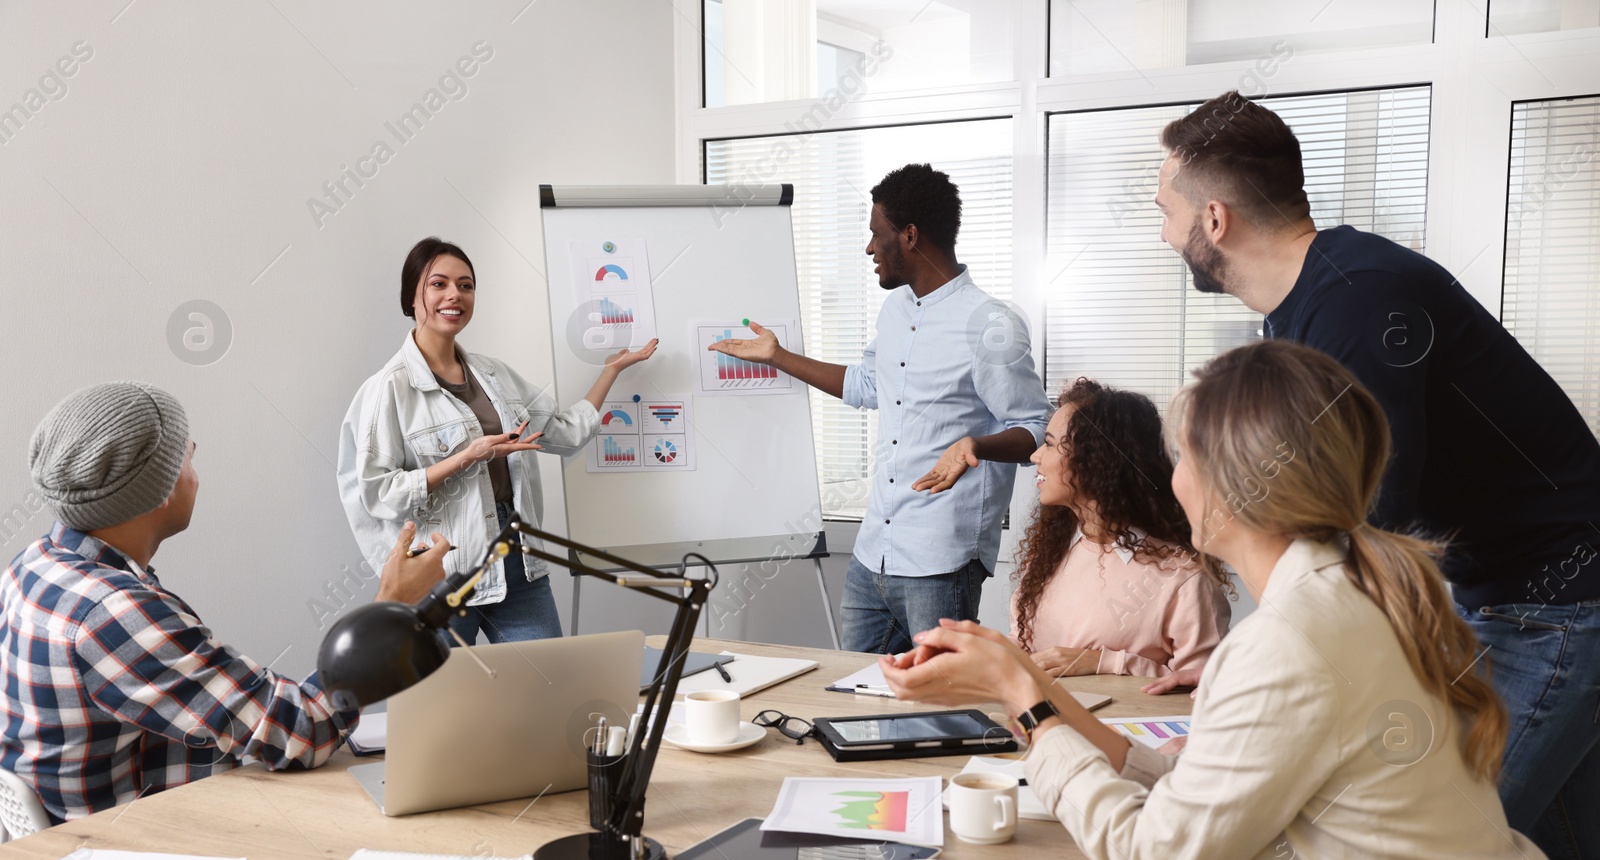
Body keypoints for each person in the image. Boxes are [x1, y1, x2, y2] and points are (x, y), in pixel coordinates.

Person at [882, 342, 1600, 860]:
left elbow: (1153, 858)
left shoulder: (1290, 641)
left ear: (1233, 487)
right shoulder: (1345, 598)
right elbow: (1210, 790)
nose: (1174, 478)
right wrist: (1027, 682)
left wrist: (1027, 706)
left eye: (1184, 458)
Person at [1153, 90, 1600, 860]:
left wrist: (1252, 674)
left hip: (1555, 605)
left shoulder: (1358, 303)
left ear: (1212, 218)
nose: (1161, 230)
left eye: (1165, 209)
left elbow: (1348, 534)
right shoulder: (1313, 305)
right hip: (1513, 596)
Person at [0, 382, 447, 822]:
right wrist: (391, 605)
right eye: (189, 457)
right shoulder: (114, 613)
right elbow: (304, 731)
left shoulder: (33, 566)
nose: (196, 473)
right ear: (160, 490)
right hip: (125, 857)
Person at [710, 164, 1050, 654]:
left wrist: (974, 443)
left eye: (876, 234)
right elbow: (866, 384)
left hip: (940, 559)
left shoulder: (989, 324)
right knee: (855, 698)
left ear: (909, 236)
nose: (870, 248)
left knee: (937, 705)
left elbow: (1035, 426)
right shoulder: (896, 311)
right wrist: (778, 357)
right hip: (874, 556)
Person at [338, 237, 656, 645]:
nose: (455, 294)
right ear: (411, 297)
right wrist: (466, 457)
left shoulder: (494, 375)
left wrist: (610, 371)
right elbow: (378, 494)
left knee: (547, 685)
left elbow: (563, 431)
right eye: (439, 284)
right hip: (441, 572)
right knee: (446, 702)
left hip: (516, 557)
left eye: (466, 285)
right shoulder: (388, 389)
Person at [1013, 378, 1229, 693]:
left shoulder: (1183, 577)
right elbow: (1025, 646)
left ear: (1095, 458)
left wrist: (1106, 663)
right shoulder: (1052, 550)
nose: (1035, 456)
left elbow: (1201, 691)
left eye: (1048, 443)